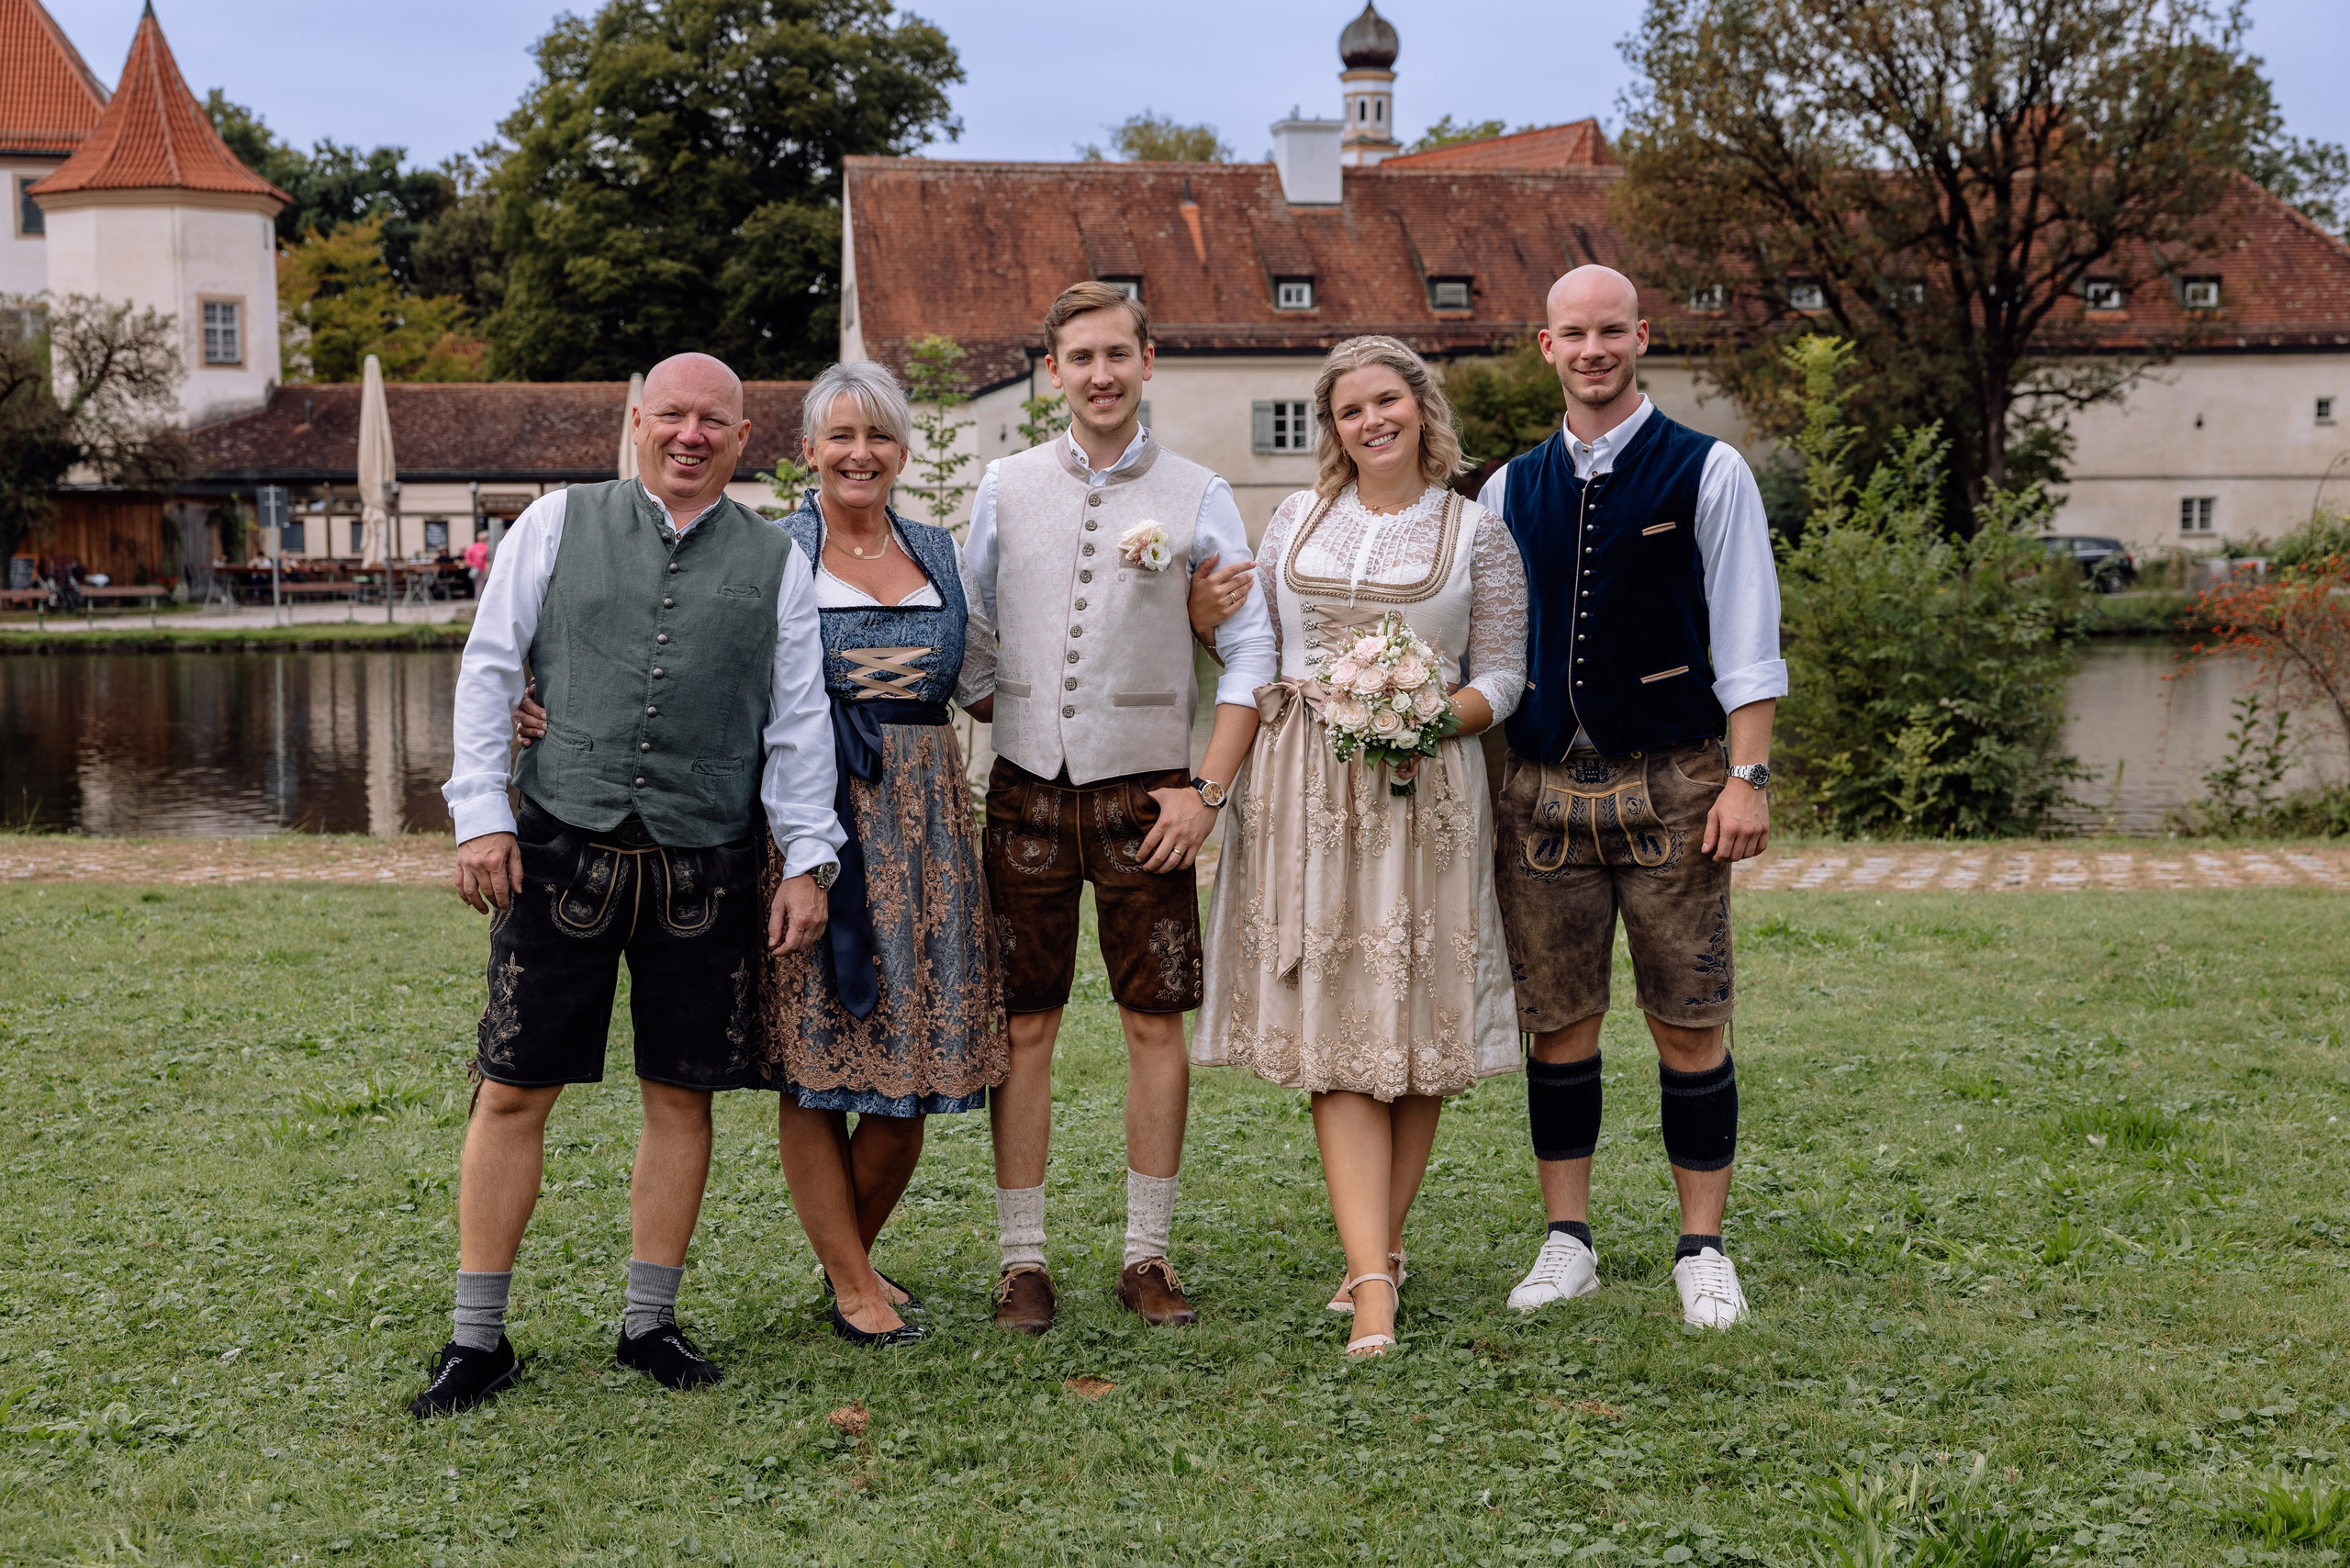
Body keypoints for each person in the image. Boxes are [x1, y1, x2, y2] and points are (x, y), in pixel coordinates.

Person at [416, 352, 843, 1417]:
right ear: (637, 420)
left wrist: (807, 858)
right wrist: (482, 814)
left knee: (680, 1094)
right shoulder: (556, 523)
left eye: (715, 421)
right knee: (512, 1086)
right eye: (673, 416)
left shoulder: (779, 563)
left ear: (746, 439)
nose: (692, 435)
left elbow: (797, 724)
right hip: (560, 841)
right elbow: (490, 665)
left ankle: (647, 1322)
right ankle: (478, 1339)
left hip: (704, 860)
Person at [1191, 335, 1525, 1358]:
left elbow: (1503, 675)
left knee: (1416, 1031)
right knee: (1338, 1028)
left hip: (1422, 791)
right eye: (1349, 410)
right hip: (1301, 790)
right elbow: (1254, 649)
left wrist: (1425, 715)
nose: (1371, 421)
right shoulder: (1294, 517)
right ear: (1331, 428)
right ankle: (1373, 1279)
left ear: (1421, 407)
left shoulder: (1478, 530)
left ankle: (1374, 1254)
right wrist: (1207, 625)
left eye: (1388, 401)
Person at [960, 280, 1276, 1335]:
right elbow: (968, 628)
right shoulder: (1003, 485)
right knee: (1025, 1023)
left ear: (1149, 363)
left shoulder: (1199, 492)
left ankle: (1148, 1251)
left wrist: (1205, 788)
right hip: (1025, 791)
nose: (1099, 374)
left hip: (1149, 796)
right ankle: (1021, 1260)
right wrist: (999, 709)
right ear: (1052, 372)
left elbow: (1253, 654)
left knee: (1154, 1021)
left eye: (1117, 355)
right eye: (1079, 357)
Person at [1478, 266, 1785, 1329]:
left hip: (1678, 781)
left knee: (1687, 1021)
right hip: (1539, 788)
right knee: (1557, 1023)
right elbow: (1483, 644)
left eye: (1611, 330)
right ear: (1545, 345)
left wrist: (1746, 778)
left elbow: (1748, 639)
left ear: (1640, 337)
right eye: (1574, 332)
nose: (1593, 348)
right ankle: (1568, 1240)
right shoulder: (1506, 487)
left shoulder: (1709, 469)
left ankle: (1701, 1246)